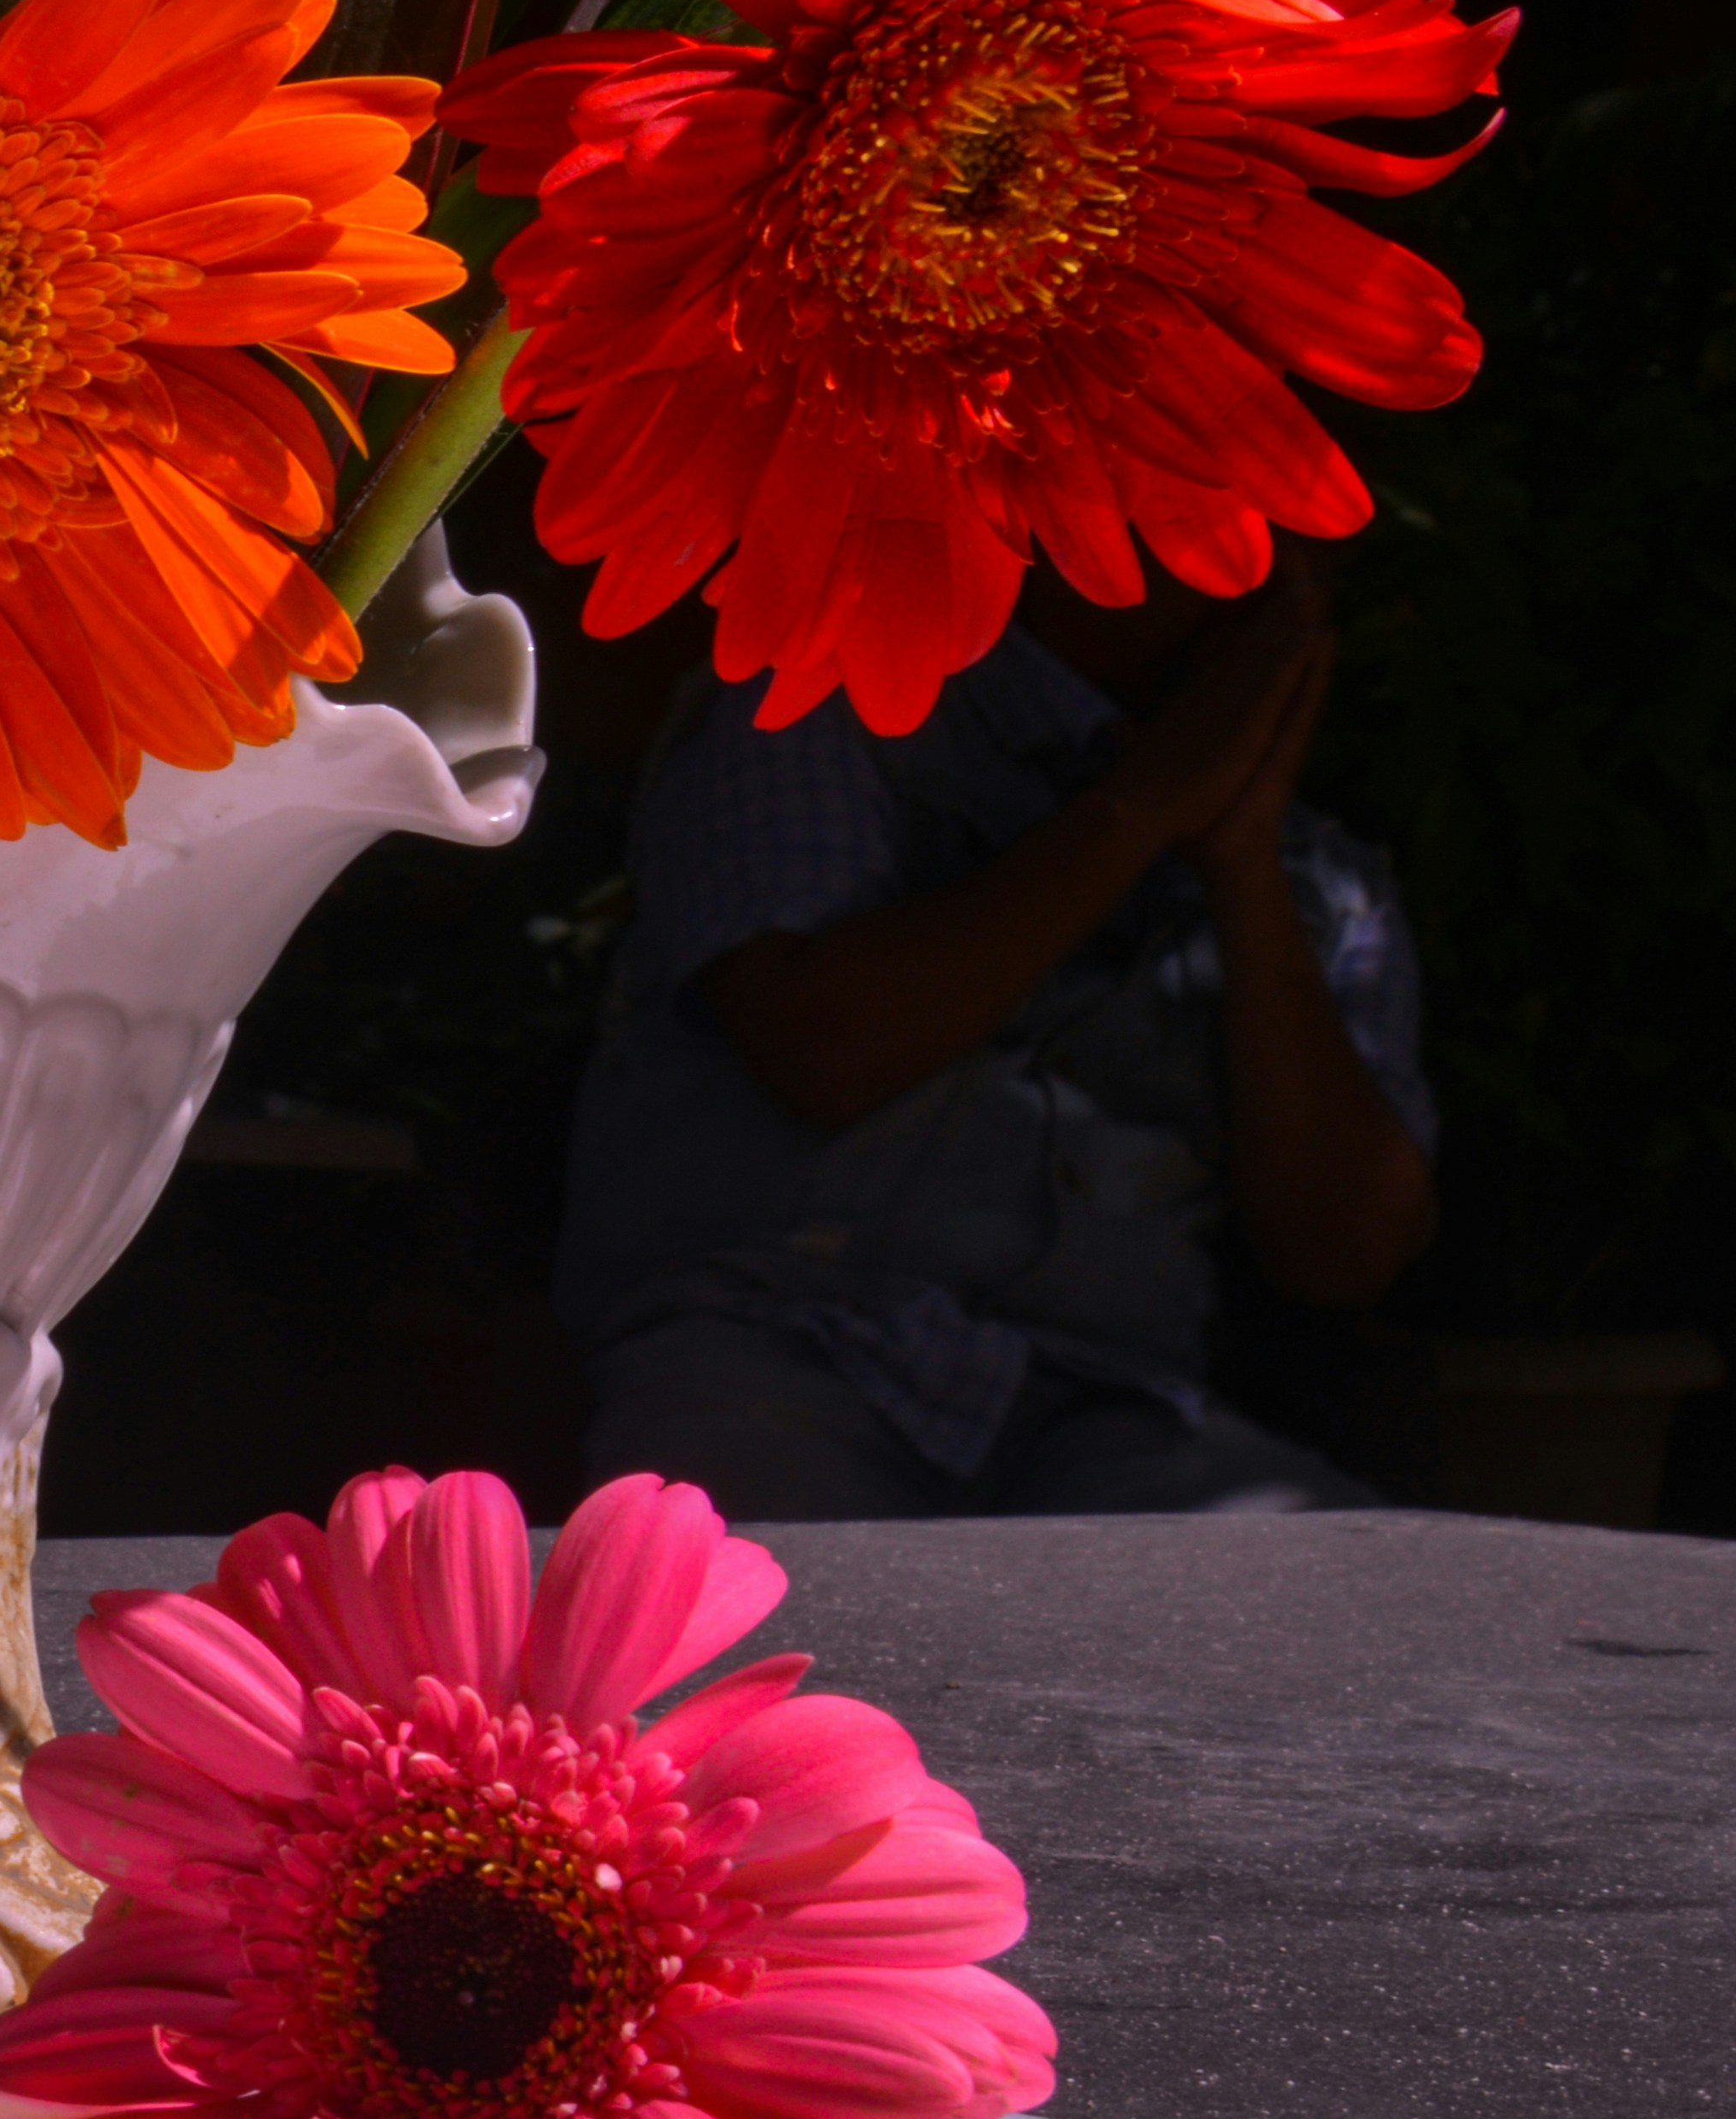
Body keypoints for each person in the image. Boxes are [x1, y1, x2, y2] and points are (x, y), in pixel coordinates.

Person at [562, 563, 1438, 1518]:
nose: (1253, 550)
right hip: (777, 1346)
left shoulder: (1319, 880)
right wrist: (1141, 804)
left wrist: (1239, 857)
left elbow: (1346, 1252)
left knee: (1343, 1608)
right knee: (735, 1607)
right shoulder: (833, 708)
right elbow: (823, 1049)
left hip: (1114, 1410)